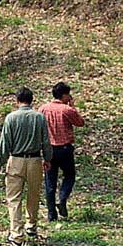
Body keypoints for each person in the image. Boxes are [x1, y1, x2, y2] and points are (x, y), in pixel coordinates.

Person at [0, 87, 52, 246]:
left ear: (17, 101)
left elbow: (5, 143)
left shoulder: (11, 118)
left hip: (16, 160)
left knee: (14, 198)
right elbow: (46, 140)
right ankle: (31, 226)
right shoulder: (39, 118)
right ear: (32, 100)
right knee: (33, 195)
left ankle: (16, 234)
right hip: (35, 160)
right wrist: (48, 158)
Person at [39, 81, 85, 222]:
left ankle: (51, 214)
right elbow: (80, 123)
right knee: (69, 175)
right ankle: (63, 198)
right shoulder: (67, 110)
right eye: (68, 95)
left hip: (49, 149)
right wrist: (73, 107)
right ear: (64, 95)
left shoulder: (43, 109)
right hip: (65, 148)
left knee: (50, 181)